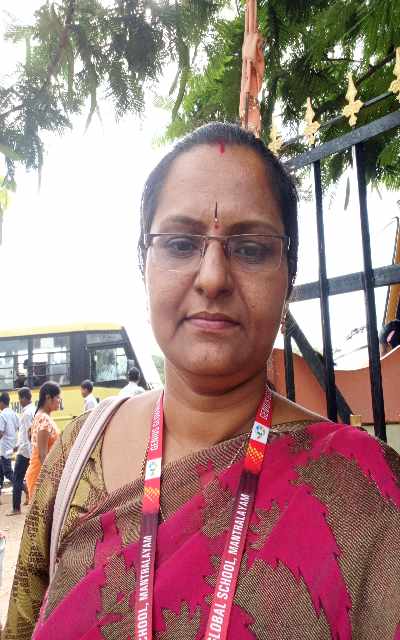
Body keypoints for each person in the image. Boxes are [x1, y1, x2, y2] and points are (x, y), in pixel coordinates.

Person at [5, 123, 400, 640]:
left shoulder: (365, 493)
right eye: (180, 243)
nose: (213, 277)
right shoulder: (78, 455)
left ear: (289, 276)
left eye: (251, 248)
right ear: (143, 264)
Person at [25, 382, 60, 501]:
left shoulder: (41, 416)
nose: (59, 400)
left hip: (40, 473)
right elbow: (42, 455)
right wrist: (52, 479)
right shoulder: (44, 419)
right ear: (48, 397)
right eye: (57, 397)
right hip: (41, 476)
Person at [7, 387, 34, 515]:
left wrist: (29, 454)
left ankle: (16, 508)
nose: (19, 401)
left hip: (25, 453)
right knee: (31, 479)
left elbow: (29, 435)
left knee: (17, 479)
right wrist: (17, 445)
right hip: (27, 450)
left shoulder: (27, 413)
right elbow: (25, 434)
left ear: (24, 398)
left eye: (19, 398)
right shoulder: (33, 410)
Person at [0, 392, 18, 504]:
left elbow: (0, 433)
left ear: (1, 403)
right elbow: (18, 427)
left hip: (4, 448)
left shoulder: (2, 415)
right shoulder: (13, 413)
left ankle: (23, 486)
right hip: (11, 446)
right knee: (1, 472)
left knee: (7, 472)